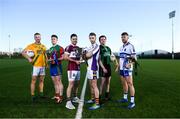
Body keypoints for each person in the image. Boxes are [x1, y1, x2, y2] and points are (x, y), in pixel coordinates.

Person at [22, 33, 47, 101]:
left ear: (40, 38)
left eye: (39, 37)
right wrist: (29, 58)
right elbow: (23, 52)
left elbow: (45, 56)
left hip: (43, 66)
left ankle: (41, 94)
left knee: (41, 80)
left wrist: (47, 64)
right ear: (34, 38)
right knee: (33, 81)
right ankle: (32, 95)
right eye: (36, 37)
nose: (37, 38)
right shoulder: (31, 45)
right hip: (35, 66)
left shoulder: (43, 46)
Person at [84, 32, 104, 110]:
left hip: (94, 68)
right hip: (88, 68)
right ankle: (92, 99)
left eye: (93, 38)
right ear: (89, 38)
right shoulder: (89, 46)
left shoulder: (97, 46)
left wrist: (85, 54)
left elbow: (87, 55)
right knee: (91, 85)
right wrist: (85, 54)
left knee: (94, 85)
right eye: (90, 38)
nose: (91, 39)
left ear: (95, 38)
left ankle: (97, 103)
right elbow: (84, 55)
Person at [117, 32, 137, 109]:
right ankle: (125, 98)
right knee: (124, 84)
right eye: (122, 37)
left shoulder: (131, 46)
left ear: (128, 37)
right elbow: (120, 58)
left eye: (124, 37)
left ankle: (132, 102)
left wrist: (129, 64)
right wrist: (118, 66)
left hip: (127, 69)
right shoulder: (121, 47)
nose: (123, 38)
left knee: (130, 84)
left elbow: (135, 58)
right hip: (122, 69)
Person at [99, 35, 118, 102]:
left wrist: (115, 62)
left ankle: (107, 97)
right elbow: (99, 60)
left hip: (108, 66)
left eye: (104, 39)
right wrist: (103, 68)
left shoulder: (108, 48)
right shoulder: (99, 48)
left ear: (105, 40)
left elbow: (112, 57)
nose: (103, 40)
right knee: (102, 83)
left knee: (108, 82)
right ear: (100, 41)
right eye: (101, 39)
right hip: (103, 67)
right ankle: (99, 98)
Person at [64, 34, 81, 109]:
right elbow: (65, 57)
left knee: (77, 84)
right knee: (71, 84)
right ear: (71, 39)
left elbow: (79, 58)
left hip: (78, 68)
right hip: (71, 68)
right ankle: (68, 102)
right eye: (73, 39)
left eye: (76, 39)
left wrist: (81, 60)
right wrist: (75, 61)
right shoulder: (68, 47)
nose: (75, 40)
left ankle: (75, 97)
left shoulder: (79, 48)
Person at [48, 34, 64, 103]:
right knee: (54, 82)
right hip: (52, 67)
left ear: (57, 40)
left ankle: (60, 97)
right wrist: (49, 60)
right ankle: (57, 95)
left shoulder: (60, 48)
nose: (53, 40)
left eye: (54, 39)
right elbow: (48, 58)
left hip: (57, 67)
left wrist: (56, 59)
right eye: (52, 39)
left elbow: (63, 57)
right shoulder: (50, 49)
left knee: (59, 82)